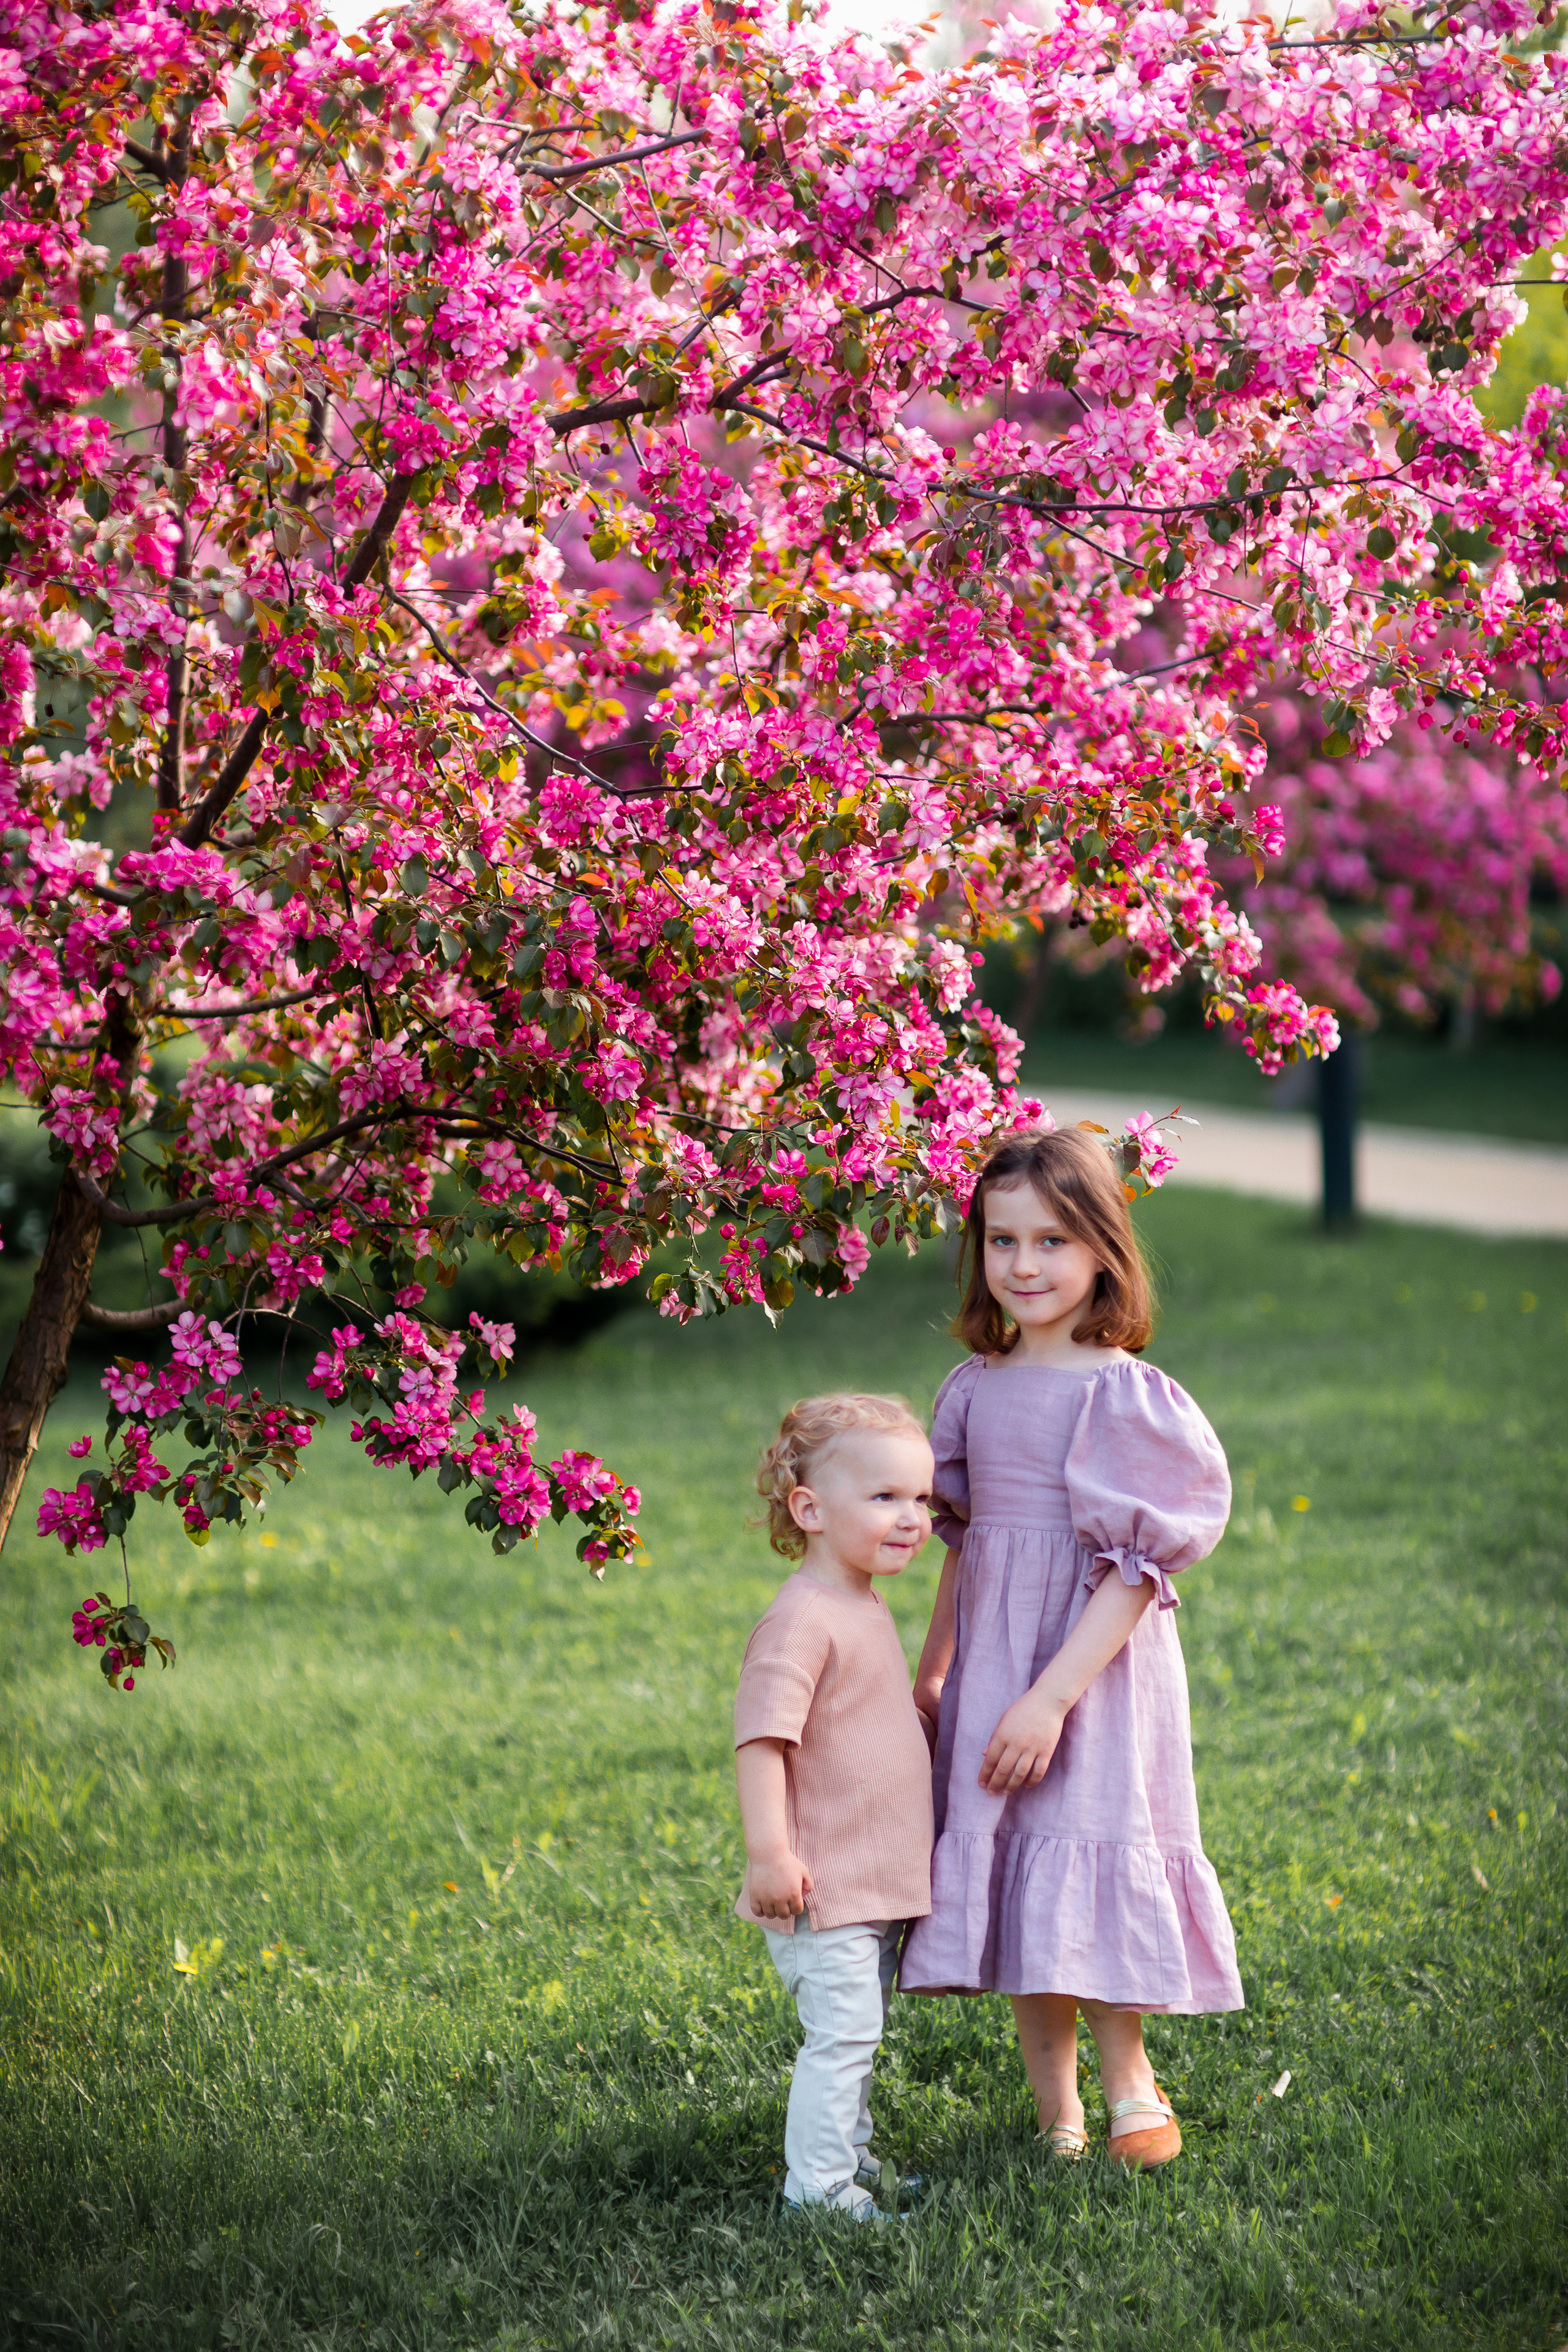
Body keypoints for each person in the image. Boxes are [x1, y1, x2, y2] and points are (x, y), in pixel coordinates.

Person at [899, 1126, 1243, 2170]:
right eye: (1003, 1242)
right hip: (994, 1662)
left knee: (1085, 1847)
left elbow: (1136, 1572)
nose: (1025, 1266)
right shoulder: (972, 1389)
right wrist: (936, 1663)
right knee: (1014, 1867)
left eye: (1052, 1241)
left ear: (1102, 1248)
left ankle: (1130, 2079)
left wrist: (1050, 1699)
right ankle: (1059, 2114)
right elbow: (963, 1542)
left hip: (1090, 1670)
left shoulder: (1120, 1391)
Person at [735, 1393, 936, 2220]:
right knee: (845, 2036)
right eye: (885, 1498)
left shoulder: (860, 1601)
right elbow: (762, 1741)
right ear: (809, 1510)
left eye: (923, 1499)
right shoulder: (801, 1619)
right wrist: (770, 1854)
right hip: (823, 1885)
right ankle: (818, 2191)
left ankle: (849, 2161)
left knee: (859, 2033)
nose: (913, 1517)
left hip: (868, 1883)